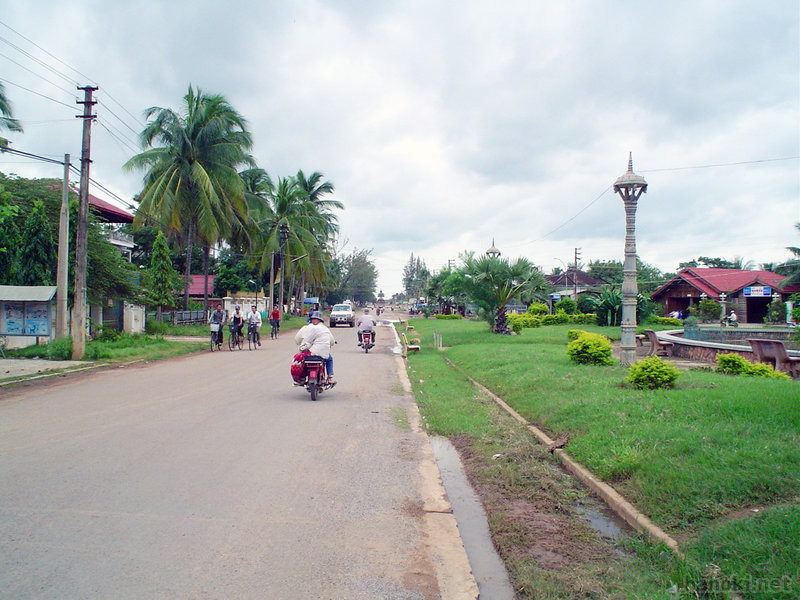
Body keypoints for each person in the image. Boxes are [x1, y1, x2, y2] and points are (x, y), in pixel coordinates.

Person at [295, 311, 336, 384]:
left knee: (301, 358)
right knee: (329, 359)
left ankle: (302, 377)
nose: (313, 320)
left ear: (319, 320)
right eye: (312, 319)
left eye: (315, 319)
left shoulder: (311, 328)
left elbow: (307, 340)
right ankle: (329, 377)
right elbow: (332, 341)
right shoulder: (325, 328)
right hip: (324, 353)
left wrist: (302, 347)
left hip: (315, 351)